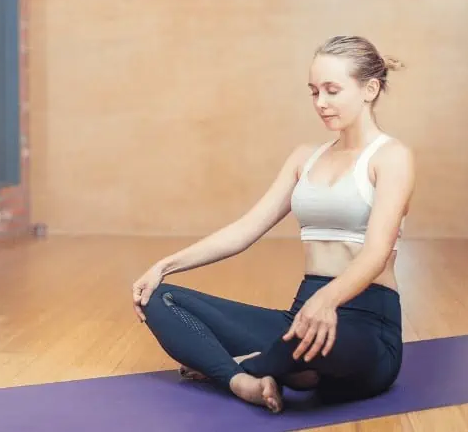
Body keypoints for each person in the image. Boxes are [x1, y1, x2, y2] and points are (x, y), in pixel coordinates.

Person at [131, 35, 415, 413]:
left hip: (366, 325)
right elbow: (246, 229)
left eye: (332, 90)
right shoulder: (305, 158)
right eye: (314, 92)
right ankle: (245, 380)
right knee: (159, 298)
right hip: (302, 316)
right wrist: (163, 265)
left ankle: (254, 365)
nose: (321, 103)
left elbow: (378, 252)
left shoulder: (392, 157)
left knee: (298, 341)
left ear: (370, 88)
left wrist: (327, 300)